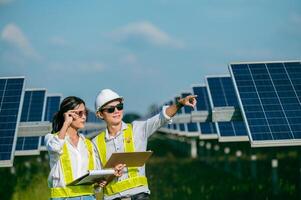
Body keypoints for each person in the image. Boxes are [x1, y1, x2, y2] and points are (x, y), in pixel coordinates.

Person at [92, 89, 197, 200]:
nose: (117, 111)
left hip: (139, 196)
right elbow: (97, 181)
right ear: (100, 114)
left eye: (120, 106)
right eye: (111, 109)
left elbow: (161, 118)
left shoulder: (137, 129)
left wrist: (179, 104)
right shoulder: (95, 143)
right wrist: (111, 173)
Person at [45, 96, 124, 200]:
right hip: (63, 198)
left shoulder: (88, 144)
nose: (84, 117)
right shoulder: (52, 138)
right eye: (79, 113)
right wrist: (66, 123)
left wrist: (105, 178)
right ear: (67, 115)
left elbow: (95, 175)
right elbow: (55, 147)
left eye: (85, 112)